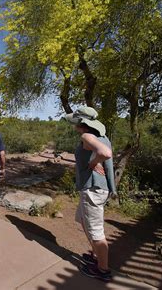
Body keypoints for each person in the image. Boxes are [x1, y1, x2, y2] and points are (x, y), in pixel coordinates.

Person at [65, 107, 117, 282]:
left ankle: (102, 269)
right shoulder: (102, 137)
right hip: (98, 189)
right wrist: (96, 161)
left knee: (95, 231)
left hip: (93, 189)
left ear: (82, 123)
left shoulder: (86, 136)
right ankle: (95, 256)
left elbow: (106, 154)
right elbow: (104, 152)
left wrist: (94, 163)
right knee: (83, 220)